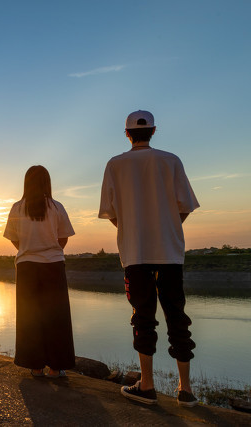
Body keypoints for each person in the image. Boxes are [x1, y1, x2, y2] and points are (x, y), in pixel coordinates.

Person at [98, 110, 200, 407]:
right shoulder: (171, 160)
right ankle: (187, 389)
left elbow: (111, 213)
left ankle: (148, 386)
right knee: (177, 316)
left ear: (127, 133)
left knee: (143, 317)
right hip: (169, 252)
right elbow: (185, 206)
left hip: (136, 253)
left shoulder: (115, 164)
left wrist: (132, 230)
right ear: (153, 131)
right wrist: (166, 226)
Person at [4, 165, 76, 378]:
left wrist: (30, 250)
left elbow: (15, 239)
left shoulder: (17, 208)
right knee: (57, 317)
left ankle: (35, 367)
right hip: (53, 266)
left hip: (27, 267)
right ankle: (56, 368)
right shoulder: (56, 207)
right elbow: (63, 238)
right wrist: (49, 251)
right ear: (47, 183)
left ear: (26, 183)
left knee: (30, 317)